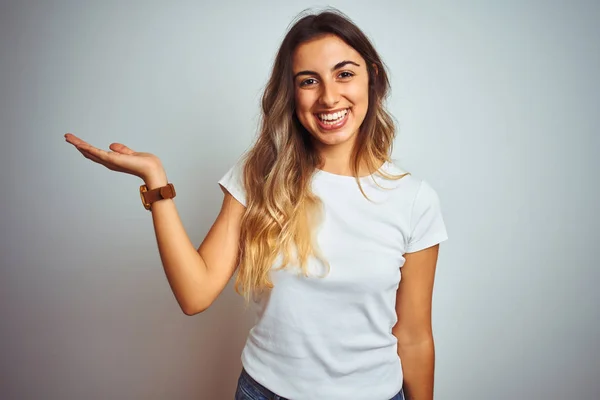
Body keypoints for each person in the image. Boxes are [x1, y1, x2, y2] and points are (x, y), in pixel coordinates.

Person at [65, 8, 448, 400]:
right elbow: (194, 294)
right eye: (309, 81)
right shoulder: (259, 177)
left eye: (344, 73)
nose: (329, 96)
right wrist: (155, 180)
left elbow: (415, 337)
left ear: (373, 76)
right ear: (292, 92)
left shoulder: (414, 200)